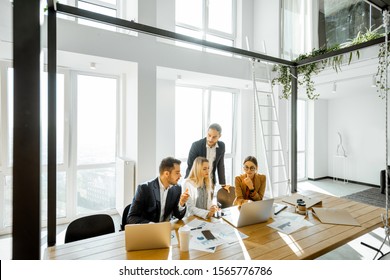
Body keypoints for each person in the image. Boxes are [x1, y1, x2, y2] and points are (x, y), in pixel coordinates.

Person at [127, 157, 190, 224]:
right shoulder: (144, 189)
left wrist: (181, 203)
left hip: (165, 229)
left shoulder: (177, 188)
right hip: (147, 230)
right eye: (177, 173)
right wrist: (150, 225)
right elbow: (131, 218)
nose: (180, 175)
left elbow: (178, 216)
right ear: (166, 174)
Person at [185, 123, 229, 193]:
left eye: (214, 137)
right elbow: (191, 165)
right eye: (209, 135)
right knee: (195, 203)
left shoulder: (221, 146)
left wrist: (223, 184)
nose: (210, 139)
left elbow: (220, 165)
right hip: (196, 181)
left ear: (219, 136)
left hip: (210, 181)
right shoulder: (196, 145)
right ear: (206, 133)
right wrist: (192, 184)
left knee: (209, 203)